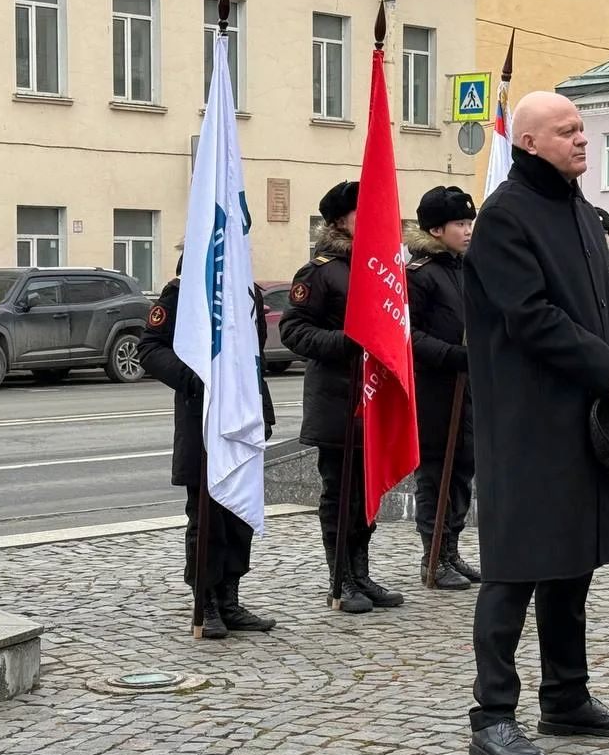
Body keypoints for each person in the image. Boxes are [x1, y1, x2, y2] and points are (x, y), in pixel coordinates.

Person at [463, 90, 609, 755]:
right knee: (517, 569)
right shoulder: (506, 217)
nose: (582, 140)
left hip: (583, 417)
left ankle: (566, 698)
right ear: (530, 142)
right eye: (567, 131)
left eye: (583, 129)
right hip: (526, 422)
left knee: (572, 565)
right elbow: (531, 317)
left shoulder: (577, 209)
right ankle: (493, 713)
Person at [279, 180, 404, 615]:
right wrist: (347, 342)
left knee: (368, 491)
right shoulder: (320, 270)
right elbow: (293, 330)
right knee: (341, 491)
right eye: (360, 212)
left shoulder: (380, 267)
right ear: (339, 220)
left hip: (377, 399)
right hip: (338, 398)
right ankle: (340, 579)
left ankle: (361, 572)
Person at [138, 255, 277, 639]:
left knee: (238, 517)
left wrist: (258, 407)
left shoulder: (245, 294)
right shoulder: (182, 295)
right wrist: (197, 378)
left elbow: (255, 357)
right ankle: (207, 600)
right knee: (207, 517)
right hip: (203, 418)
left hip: (242, 419)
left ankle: (230, 598)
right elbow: (149, 348)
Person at [406, 185, 481, 591]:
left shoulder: (466, 268)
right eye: (459, 224)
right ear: (436, 230)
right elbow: (407, 335)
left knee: (462, 472)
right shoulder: (419, 275)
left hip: (468, 390)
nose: (468, 230)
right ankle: (432, 557)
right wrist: (453, 355)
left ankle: (451, 550)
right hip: (435, 391)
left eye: (470, 222)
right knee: (437, 474)